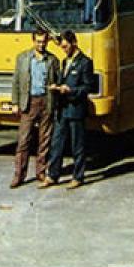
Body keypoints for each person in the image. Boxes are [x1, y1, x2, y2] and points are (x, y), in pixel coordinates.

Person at [9, 28, 61, 189]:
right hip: (28, 103)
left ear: (47, 41)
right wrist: (15, 103)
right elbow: (16, 81)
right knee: (23, 140)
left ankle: (41, 172)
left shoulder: (53, 60)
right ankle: (19, 175)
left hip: (46, 101)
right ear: (33, 41)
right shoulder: (23, 58)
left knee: (44, 140)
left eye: (44, 41)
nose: (41, 44)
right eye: (38, 41)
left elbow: (56, 81)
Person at [46, 30, 98, 188]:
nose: (64, 49)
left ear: (74, 43)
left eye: (66, 46)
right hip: (62, 109)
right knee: (56, 143)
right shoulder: (64, 62)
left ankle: (78, 176)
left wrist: (71, 91)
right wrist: (56, 87)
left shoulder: (85, 63)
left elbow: (89, 86)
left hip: (76, 109)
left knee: (78, 145)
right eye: (62, 47)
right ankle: (52, 175)